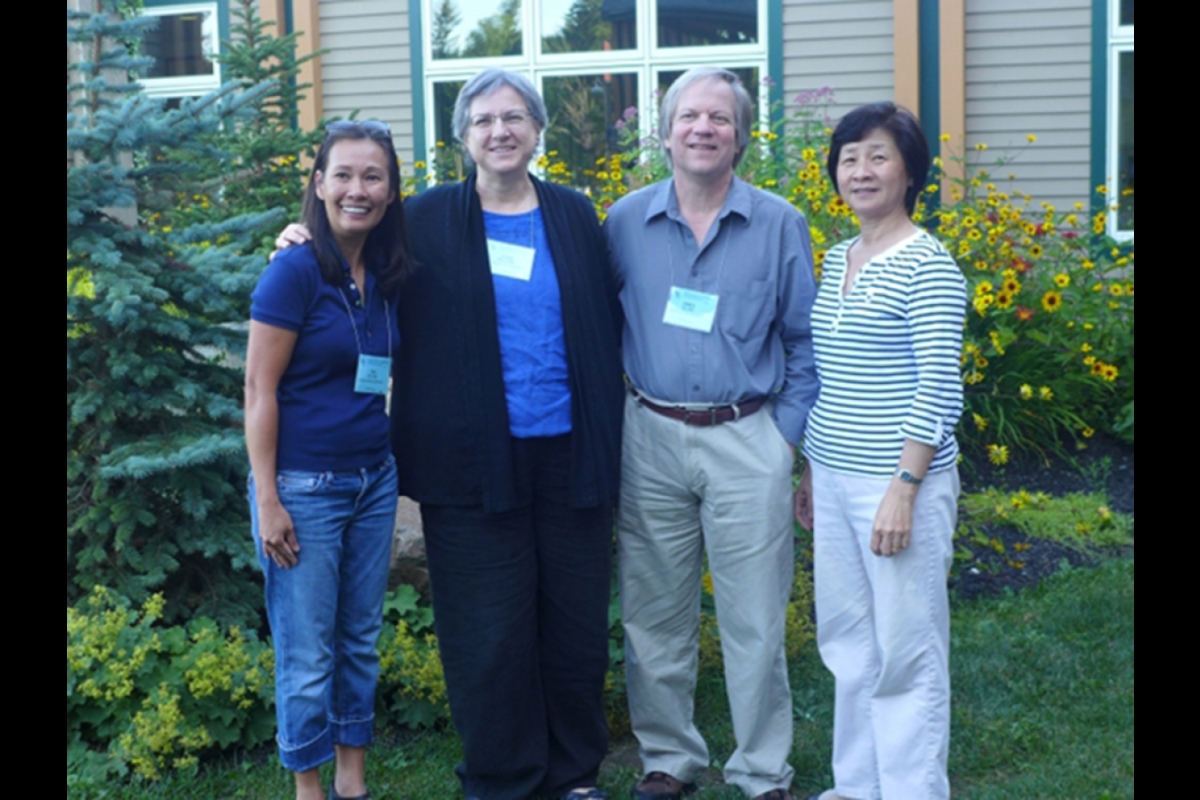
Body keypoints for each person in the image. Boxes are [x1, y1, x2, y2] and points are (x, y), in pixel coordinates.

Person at [275, 69, 624, 800]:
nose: (501, 131)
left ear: (537, 130)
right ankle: (502, 777)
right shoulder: (427, 219)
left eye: (515, 117)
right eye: (484, 120)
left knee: (573, 626)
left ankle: (573, 774)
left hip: (571, 458)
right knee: (489, 635)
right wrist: (299, 237)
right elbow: (351, 248)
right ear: (464, 137)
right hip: (470, 465)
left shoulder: (573, 214)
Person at [604, 67, 818, 800]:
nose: (703, 128)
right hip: (650, 435)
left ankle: (762, 770)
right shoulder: (624, 220)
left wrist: (781, 442)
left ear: (742, 137)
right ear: (664, 134)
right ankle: (668, 758)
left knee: (755, 618)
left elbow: (804, 342)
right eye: (689, 116)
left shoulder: (781, 223)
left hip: (746, 436)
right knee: (654, 612)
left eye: (719, 119)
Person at [793, 102, 967, 800]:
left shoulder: (928, 266)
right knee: (849, 645)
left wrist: (904, 486)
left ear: (910, 171)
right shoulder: (839, 257)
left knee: (908, 650)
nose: (860, 170)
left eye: (878, 155)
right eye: (849, 157)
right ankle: (857, 787)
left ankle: (913, 790)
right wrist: (812, 471)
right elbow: (832, 380)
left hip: (896, 484)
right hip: (833, 477)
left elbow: (938, 388)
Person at [245, 120, 413, 800]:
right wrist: (267, 498)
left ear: (392, 189)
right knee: (307, 653)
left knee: (358, 641)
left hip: (374, 480)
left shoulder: (387, 269)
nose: (357, 189)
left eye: (373, 176)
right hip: (304, 485)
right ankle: (308, 789)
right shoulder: (293, 270)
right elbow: (258, 389)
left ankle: (353, 782)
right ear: (318, 183)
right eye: (342, 174)